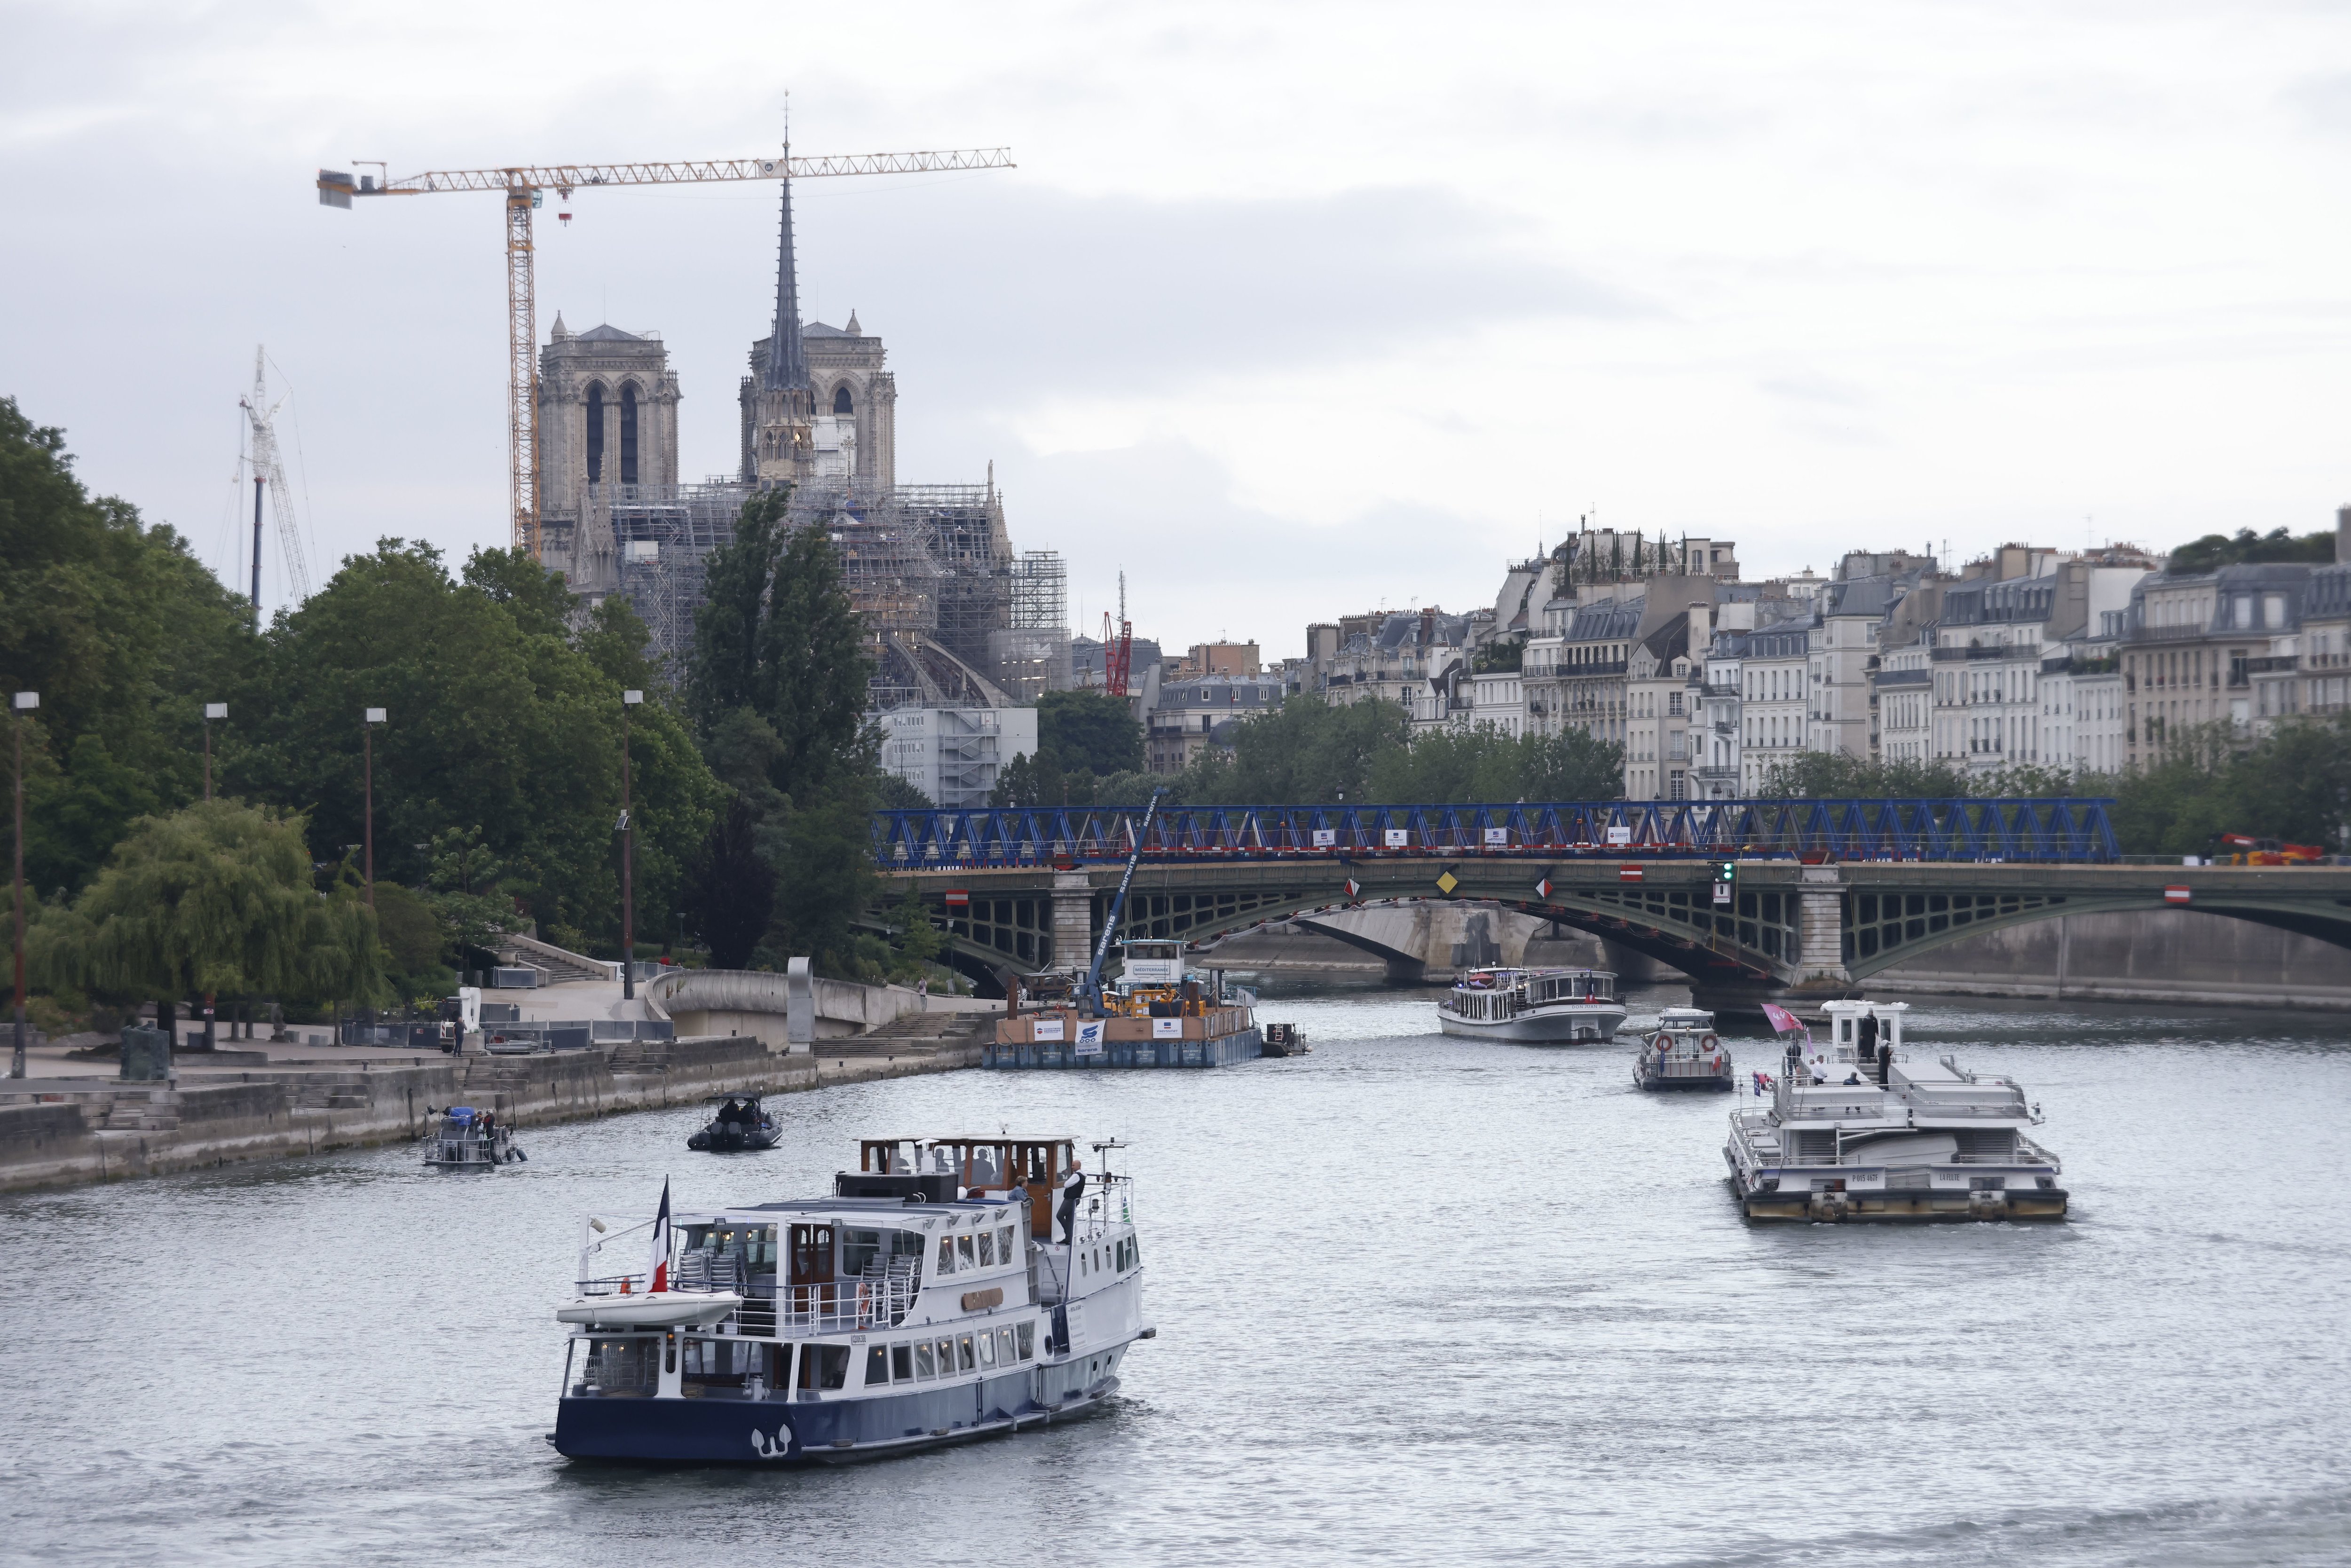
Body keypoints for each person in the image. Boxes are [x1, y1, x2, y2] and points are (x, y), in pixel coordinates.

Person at [1057, 1159, 1086, 1245]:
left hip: (1070, 1200)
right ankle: (1068, 1238)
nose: (1072, 1167)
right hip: (1075, 1200)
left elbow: (1066, 1185)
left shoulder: (1076, 1175)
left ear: (1078, 1166)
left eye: (1073, 1165)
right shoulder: (1082, 1175)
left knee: (1059, 1216)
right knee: (1069, 1218)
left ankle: (1069, 1235)